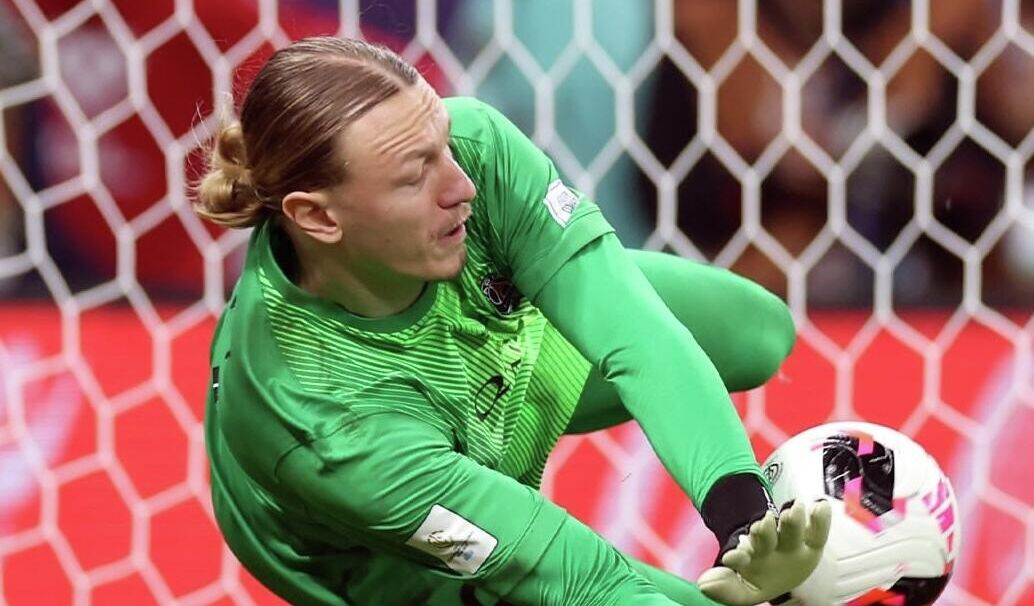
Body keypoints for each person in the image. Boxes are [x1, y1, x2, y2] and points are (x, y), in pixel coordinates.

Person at [195, 36, 830, 606]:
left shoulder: (471, 150)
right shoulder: (322, 428)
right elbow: (583, 580)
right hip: (383, 552)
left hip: (493, 358)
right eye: (415, 176)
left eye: (443, 142)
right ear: (318, 218)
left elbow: (635, 335)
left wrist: (744, 519)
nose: (461, 185)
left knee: (756, 332)